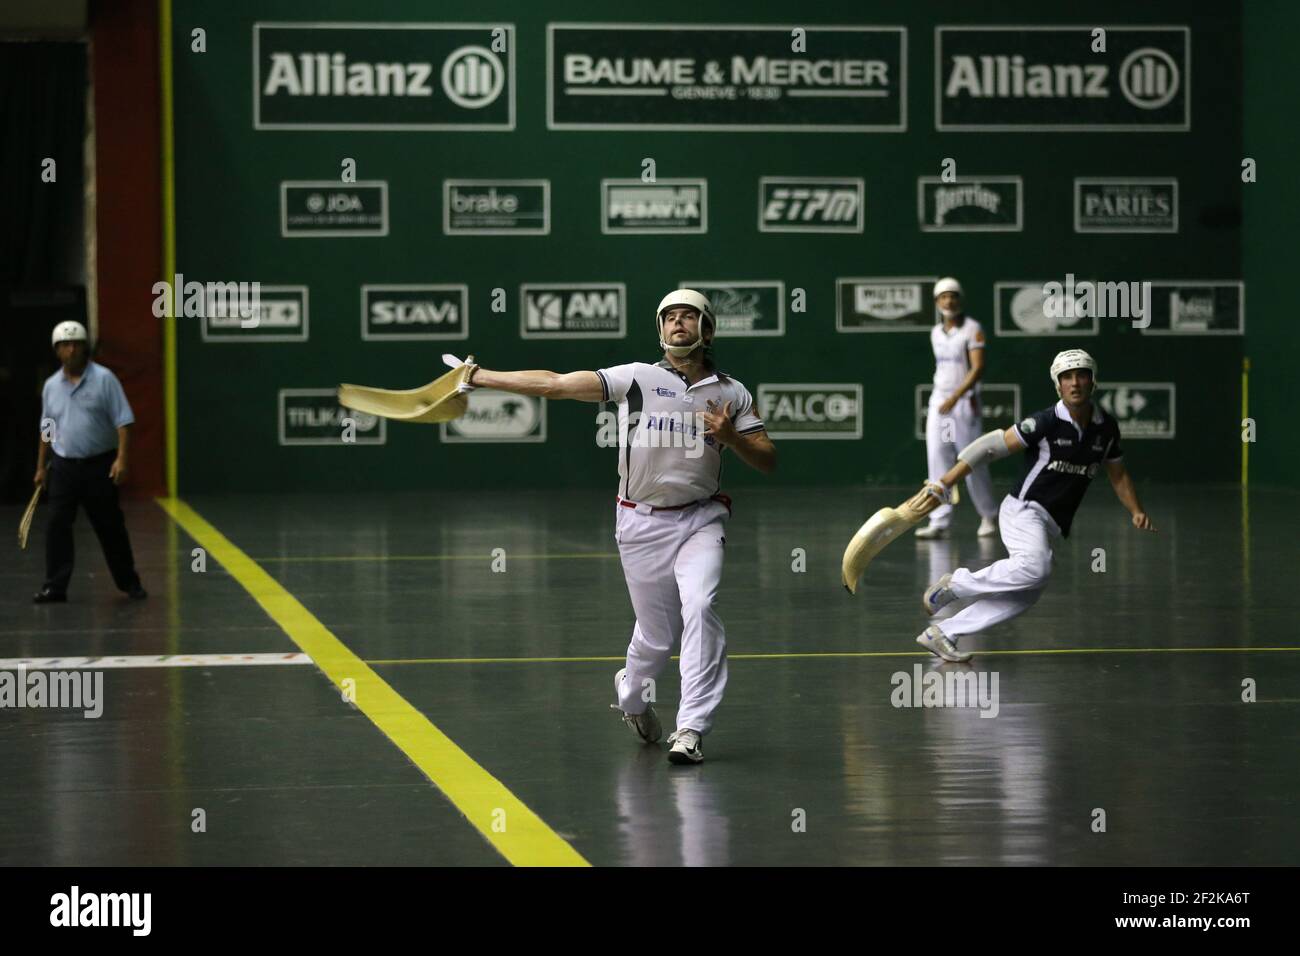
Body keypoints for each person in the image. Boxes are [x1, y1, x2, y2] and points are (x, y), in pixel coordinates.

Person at [446, 290, 776, 764]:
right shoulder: (636, 378)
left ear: (707, 330)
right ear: (659, 330)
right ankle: (631, 697)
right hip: (639, 523)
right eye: (669, 318)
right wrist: (479, 377)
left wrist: (730, 438)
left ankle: (691, 728)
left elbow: (767, 459)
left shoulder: (731, 393)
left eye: (688, 316)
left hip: (701, 518)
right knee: (657, 637)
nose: (677, 324)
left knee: (701, 606)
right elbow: (556, 384)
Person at [914, 349, 1154, 662]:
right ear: (1058, 386)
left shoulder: (1106, 429)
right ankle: (956, 584)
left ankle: (944, 632)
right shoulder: (1045, 422)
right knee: (1036, 566)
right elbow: (988, 448)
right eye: (1066, 377)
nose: (1075, 383)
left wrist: (1135, 510)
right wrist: (945, 482)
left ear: (1093, 382)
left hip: (1050, 521)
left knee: (1026, 593)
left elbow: (1119, 475)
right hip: (1023, 509)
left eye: (1081, 374)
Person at [33, 321, 146, 604]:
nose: (71, 350)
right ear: (57, 351)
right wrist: (40, 467)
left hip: (99, 466)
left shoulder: (105, 379)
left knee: (110, 526)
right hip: (63, 468)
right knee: (57, 525)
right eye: (65, 346)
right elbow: (47, 427)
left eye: (76, 344)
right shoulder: (50, 387)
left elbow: (124, 422)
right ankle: (54, 587)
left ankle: (129, 582)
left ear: (85, 348)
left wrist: (122, 459)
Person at [915, 277, 1000, 540]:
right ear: (937, 302)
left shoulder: (973, 329)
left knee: (971, 459)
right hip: (940, 401)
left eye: (953, 296)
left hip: (964, 403)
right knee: (938, 457)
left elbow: (978, 368)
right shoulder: (935, 333)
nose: (948, 301)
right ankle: (939, 520)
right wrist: (945, 398)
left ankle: (988, 515)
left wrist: (956, 396)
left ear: (959, 300)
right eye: (943, 297)